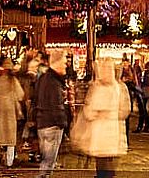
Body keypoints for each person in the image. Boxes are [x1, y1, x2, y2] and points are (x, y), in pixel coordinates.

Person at [74, 59, 129, 178]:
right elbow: (88, 110)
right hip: (99, 137)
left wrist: (109, 113)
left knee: (108, 168)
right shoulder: (96, 87)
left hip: (112, 137)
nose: (105, 72)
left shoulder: (119, 88)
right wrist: (95, 113)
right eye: (103, 69)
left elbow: (124, 110)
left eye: (108, 69)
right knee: (102, 167)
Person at [34, 47, 68, 178]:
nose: (66, 65)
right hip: (51, 125)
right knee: (48, 163)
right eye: (64, 61)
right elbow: (56, 106)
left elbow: (35, 99)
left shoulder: (43, 78)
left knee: (46, 161)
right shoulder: (53, 82)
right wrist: (63, 123)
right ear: (57, 62)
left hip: (42, 123)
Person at [0, 58, 24, 169]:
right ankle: (9, 162)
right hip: (10, 111)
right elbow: (20, 95)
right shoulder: (13, 81)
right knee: (10, 138)